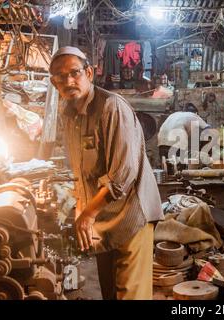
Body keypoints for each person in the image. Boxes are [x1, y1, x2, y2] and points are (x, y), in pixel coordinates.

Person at [49, 46, 164, 300]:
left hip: (132, 215)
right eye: (60, 76)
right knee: (110, 292)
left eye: (74, 73)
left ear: (89, 72)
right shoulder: (68, 115)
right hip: (103, 218)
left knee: (130, 294)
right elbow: (80, 172)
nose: (68, 81)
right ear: (53, 82)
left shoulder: (112, 107)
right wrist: (81, 210)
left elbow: (123, 175)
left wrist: (88, 213)